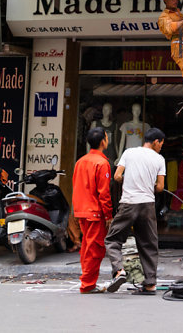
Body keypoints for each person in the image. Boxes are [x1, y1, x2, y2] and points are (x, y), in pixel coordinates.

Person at [104, 127, 166, 295]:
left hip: (129, 203)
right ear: (155, 142)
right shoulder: (160, 159)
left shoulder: (129, 153)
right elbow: (160, 187)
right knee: (149, 244)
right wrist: (149, 184)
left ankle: (119, 271)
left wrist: (129, 179)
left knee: (112, 240)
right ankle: (150, 284)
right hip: (147, 205)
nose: (161, 147)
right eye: (161, 143)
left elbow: (117, 176)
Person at [73, 126, 114, 294]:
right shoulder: (102, 163)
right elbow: (103, 193)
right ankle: (88, 284)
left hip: (82, 210)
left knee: (86, 247)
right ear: (104, 141)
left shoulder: (80, 161)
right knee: (94, 249)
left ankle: (88, 281)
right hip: (95, 212)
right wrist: (108, 215)